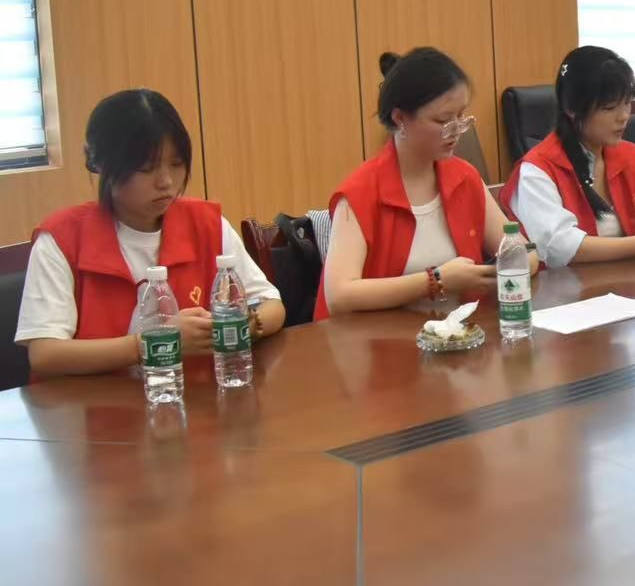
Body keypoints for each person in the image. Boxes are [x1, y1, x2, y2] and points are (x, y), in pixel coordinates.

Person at [17, 89, 285, 377]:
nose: (166, 181)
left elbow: (271, 305)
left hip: (194, 397)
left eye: (176, 164)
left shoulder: (206, 223)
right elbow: (46, 355)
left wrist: (248, 324)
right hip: (95, 402)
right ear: (101, 164)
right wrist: (154, 343)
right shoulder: (62, 238)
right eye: (146, 168)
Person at [318, 49, 520, 317]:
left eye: (462, 116)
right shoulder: (361, 192)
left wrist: (515, 262)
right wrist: (436, 280)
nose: (457, 130)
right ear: (400, 118)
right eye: (443, 120)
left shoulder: (464, 177)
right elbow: (339, 295)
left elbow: (518, 249)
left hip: (461, 332)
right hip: (381, 338)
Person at [501, 45, 635, 266]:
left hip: (631, 281)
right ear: (572, 109)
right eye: (609, 108)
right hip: (567, 286)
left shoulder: (631, 156)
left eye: (627, 103)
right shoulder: (537, 170)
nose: (624, 116)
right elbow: (559, 247)